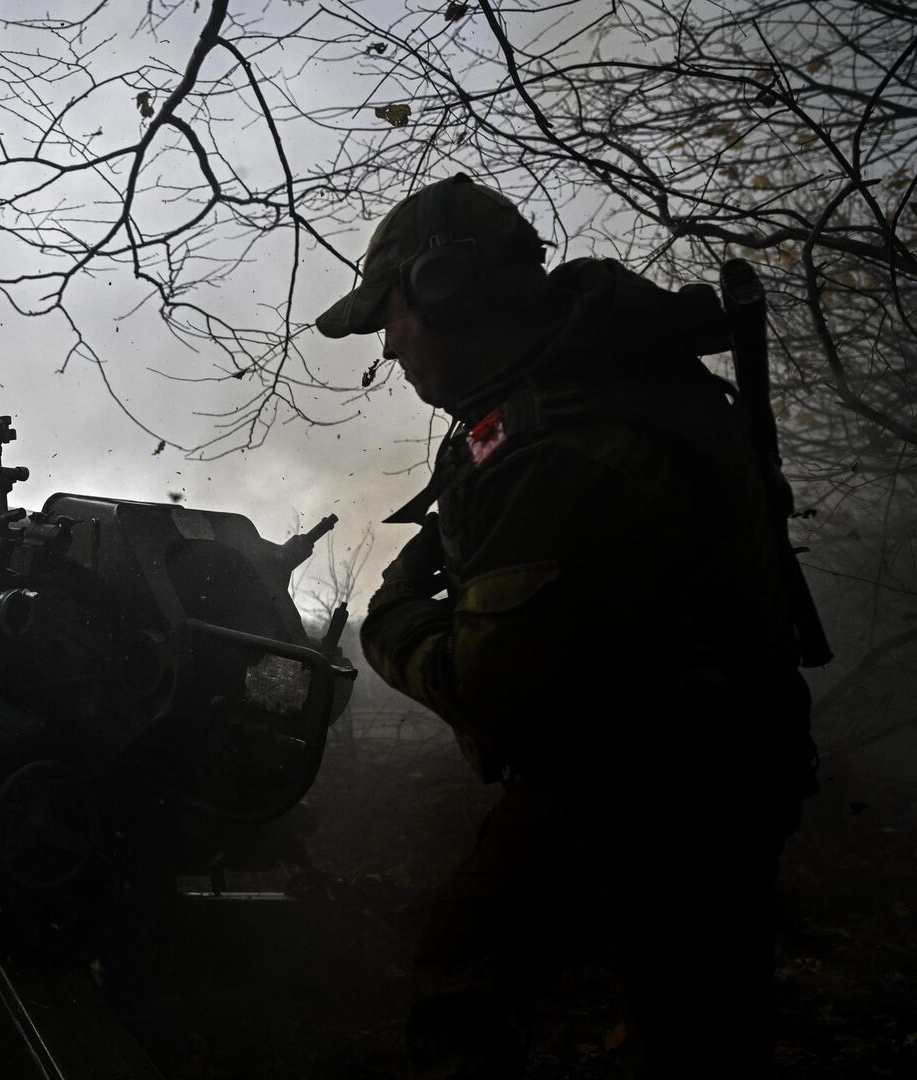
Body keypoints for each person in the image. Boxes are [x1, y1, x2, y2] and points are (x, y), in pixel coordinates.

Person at [315, 175, 818, 1078]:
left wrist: (391, 619)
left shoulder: (568, 444)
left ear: (445, 291)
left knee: (674, 1034)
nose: (388, 346)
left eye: (390, 317)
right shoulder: (601, 381)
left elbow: (496, 694)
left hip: (667, 792)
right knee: (471, 980)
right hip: (653, 757)